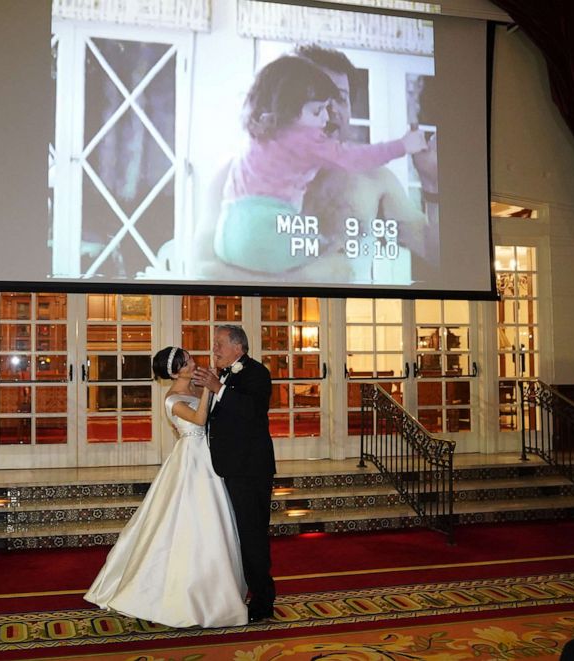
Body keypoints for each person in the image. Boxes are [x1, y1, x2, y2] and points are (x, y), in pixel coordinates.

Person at [212, 55, 427, 275]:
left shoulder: (260, 134)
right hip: (262, 231)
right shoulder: (307, 139)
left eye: (337, 101)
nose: (328, 116)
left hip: (227, 235)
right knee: (333, 255)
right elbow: (353, 157)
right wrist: (402, 145)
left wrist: (431, 183)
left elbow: (426, 242)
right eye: (317, 110)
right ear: (289, 107)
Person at [84, 346, 248, 628]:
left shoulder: (195, 390)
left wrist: (207, 387)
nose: (192, 361)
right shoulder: (172, 398)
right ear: (175, 371)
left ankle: (217, 589)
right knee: (188, 519)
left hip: (208, 456)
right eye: (186, 361)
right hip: (191, 461)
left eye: (190, 357)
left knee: (214, 520)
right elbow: (199, 420)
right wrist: (211, 385)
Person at [295, 44, 437, 281]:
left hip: (353, 313)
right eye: (317, 95)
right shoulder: (246, 177)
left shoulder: (374, 177)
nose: (330, 111)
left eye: (340, 98)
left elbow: (435, 253)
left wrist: (432, 183)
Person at [192, 325, 277, 622]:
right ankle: (234, 592)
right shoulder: (223, 376)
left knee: (252, 535)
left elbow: (251, 411)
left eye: (219, 344)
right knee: (232, 535)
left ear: (238, 348)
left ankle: (263, 602)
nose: (214, 348)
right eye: (214, 343)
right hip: (225, 467)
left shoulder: (257, 373)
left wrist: (218, 388)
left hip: (250, 469)